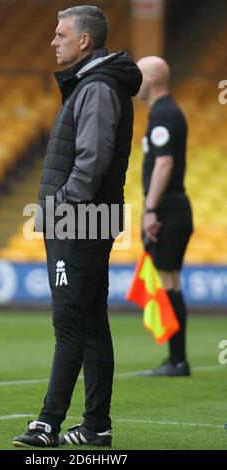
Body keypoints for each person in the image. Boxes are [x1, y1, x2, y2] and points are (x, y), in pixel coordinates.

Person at [12, 5, 142, 448]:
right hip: (85, 219)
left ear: (85, 40)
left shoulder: (99, 87)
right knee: (88, 323)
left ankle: (47, 424)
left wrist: (64, 206)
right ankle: (96, 426)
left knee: (69, 323)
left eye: (60, 34)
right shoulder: (93, 85)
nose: (53, 41)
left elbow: (93, 158)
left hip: (80, 221)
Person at [136, 56, 193, 377]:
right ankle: (176, 358)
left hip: (168, 208)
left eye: (140, 75)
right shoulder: (166, 111)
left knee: (169, 280)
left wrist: (151, 209)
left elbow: (164, 164)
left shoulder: (163, 113)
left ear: (154, 78)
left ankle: (177, 360)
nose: (136, 81)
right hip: (173, 206)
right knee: (169, 281)